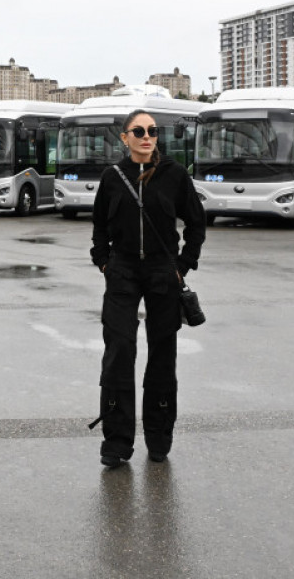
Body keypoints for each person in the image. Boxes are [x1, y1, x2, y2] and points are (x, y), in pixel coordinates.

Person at [90, 109, 206, 468]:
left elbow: (197, 224)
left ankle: (158, 435)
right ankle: (117, 441)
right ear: (124, 137)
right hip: (123, 271)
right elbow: (99, 228)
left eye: (153, 131)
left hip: (162, 272)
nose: (147, 136)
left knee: (162, 354)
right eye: (138, 131)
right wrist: (105, 263)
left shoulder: (174, 175)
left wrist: (182, 265)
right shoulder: (112, 177)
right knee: (119, 353)